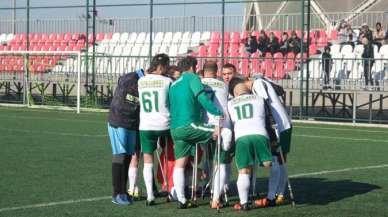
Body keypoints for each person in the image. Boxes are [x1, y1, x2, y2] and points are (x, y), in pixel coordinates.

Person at [168, 56, 223, 209]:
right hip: (189, 125)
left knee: (180, 164)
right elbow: (202, 97)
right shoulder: (192, 77)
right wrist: (217, 112)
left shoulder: (174, 84)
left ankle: (182, 200)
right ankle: (218, 190)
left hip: (175, 128)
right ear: (193, 67)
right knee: (221, 132)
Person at [231, 75, 292, 207]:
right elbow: (279, 91)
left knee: (278, 159)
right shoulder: (260, 82)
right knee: (279, 160)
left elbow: (266, 108)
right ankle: (278, 195)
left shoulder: (258, 84)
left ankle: (273, 197)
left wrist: (272, 135)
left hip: (278, 126)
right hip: (280, 124)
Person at [227, 80, 274, 211]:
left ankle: (244, 203)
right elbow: (267, 117)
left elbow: (230, 122)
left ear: (236, 93)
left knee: (244, 170)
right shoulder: (259, 99)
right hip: (260, 133)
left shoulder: (230, 103)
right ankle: (274, 190)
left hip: (241, 137)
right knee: (268, 163)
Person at [138, 54, 172, 206]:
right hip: (165, 124)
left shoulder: (141, 81)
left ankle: (150, 195)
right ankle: (171, 189)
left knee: (147, 160)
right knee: (170, 156)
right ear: (161, 67)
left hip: (146, 125)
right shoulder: (167, 81)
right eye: (166, 66)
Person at [107, 69, 144, 205]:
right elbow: (124, 103)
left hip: (132, 124)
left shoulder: (145, 81)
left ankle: (123, 191)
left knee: (128, 155)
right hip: (119, 121)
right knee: (120, 155)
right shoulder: (130, 78)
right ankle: (116, 193)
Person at [201, 61, 233, 209]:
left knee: (205, 155)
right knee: (220, 161)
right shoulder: (224, 85)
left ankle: (199, 187)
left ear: (203, 71)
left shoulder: (199, 83)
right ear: (216, 71)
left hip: (203, 126)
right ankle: (217, 194)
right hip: (223, 126)